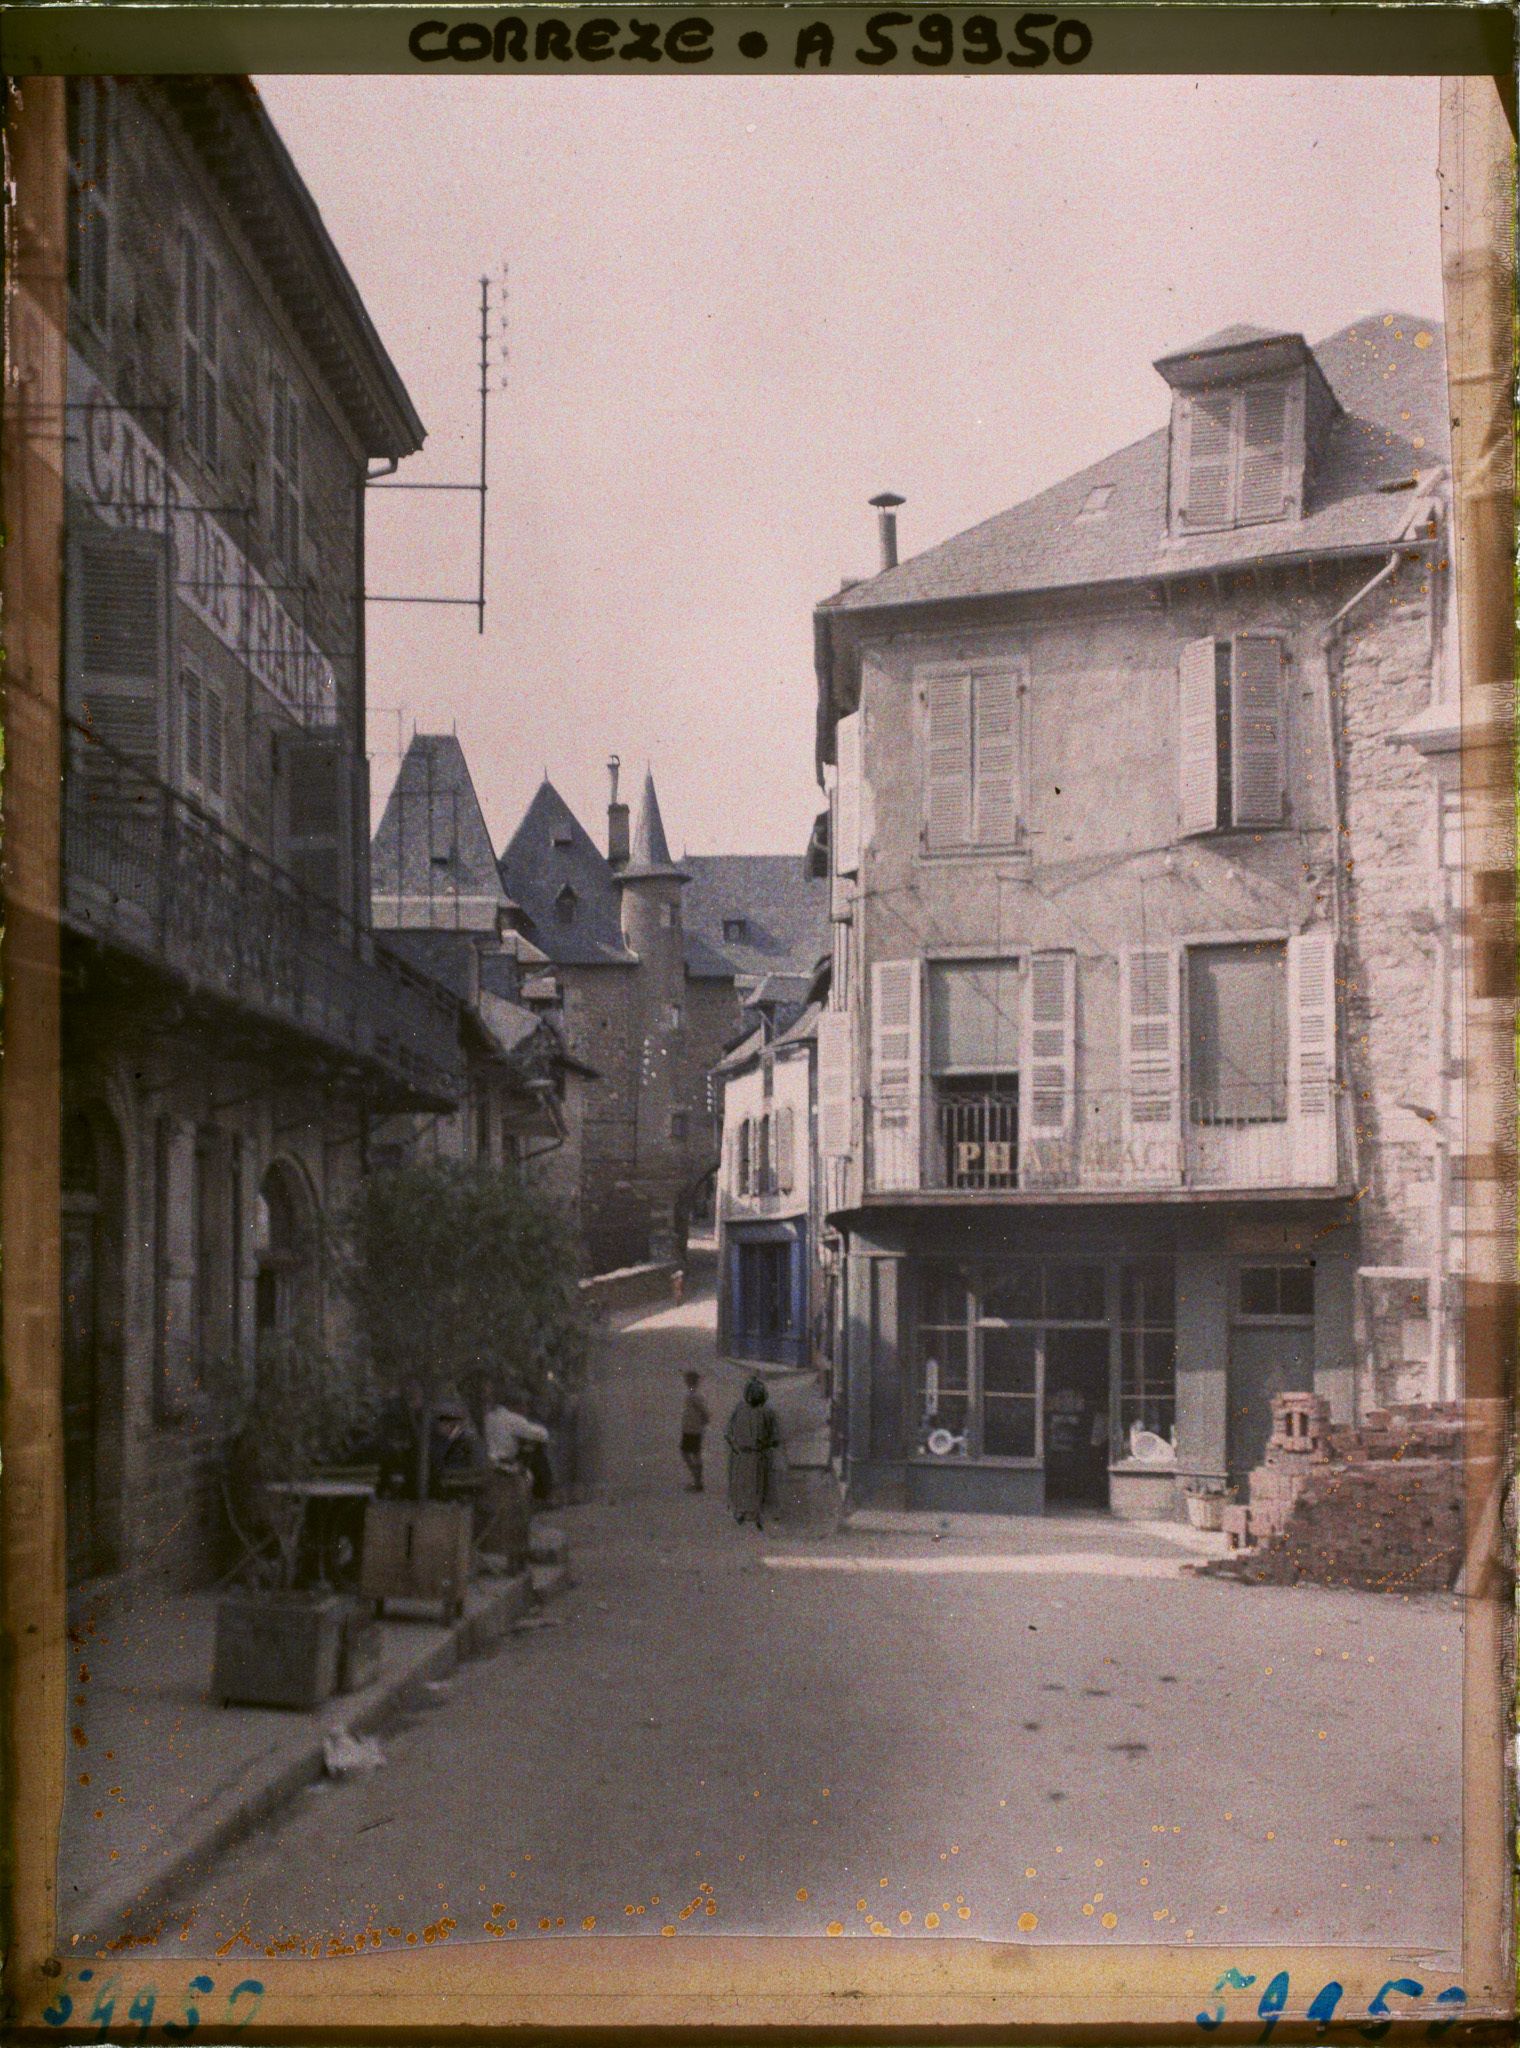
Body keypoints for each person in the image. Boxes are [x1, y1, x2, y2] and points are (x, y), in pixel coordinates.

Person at [725, 1374, 781, 1529]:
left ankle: (741, 1511)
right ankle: (755, 1513)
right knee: (758, 1484)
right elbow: (775, 1437)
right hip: (758, 1454)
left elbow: (728, 1432)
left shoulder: (739, 1409)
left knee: (740, 1483)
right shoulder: (767, 1413)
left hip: (741, 1454)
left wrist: (735, 1445)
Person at [679, 1369, 710, 1492]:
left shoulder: (693, 1395)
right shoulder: (695, 1394)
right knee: (694, 1453)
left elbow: (703, 1412)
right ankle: (697, 1481)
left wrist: (703, 1421)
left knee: (687, 1453)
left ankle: (697, 1481)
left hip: (691, 1428)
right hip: (693, 1427)